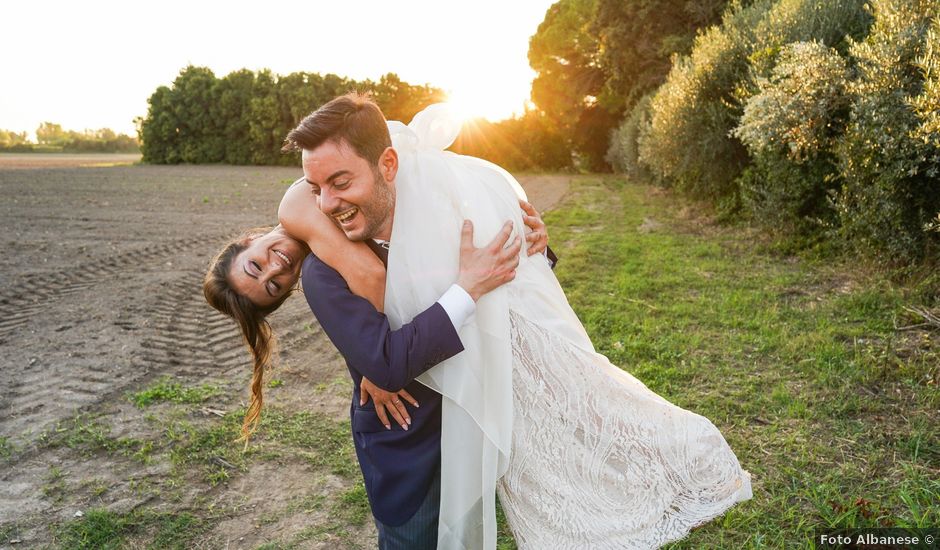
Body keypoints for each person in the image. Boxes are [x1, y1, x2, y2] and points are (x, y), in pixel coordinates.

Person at [207, 94, 753, 549]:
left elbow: (509, 271)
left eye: (338, 184)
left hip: (491, 411)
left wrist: (537, 249)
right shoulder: (326, 274)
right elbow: (387, 358)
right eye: (272, 286)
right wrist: (452, 300)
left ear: (388, 167)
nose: (325, 203)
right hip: (412, 440)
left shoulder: (441, 204)